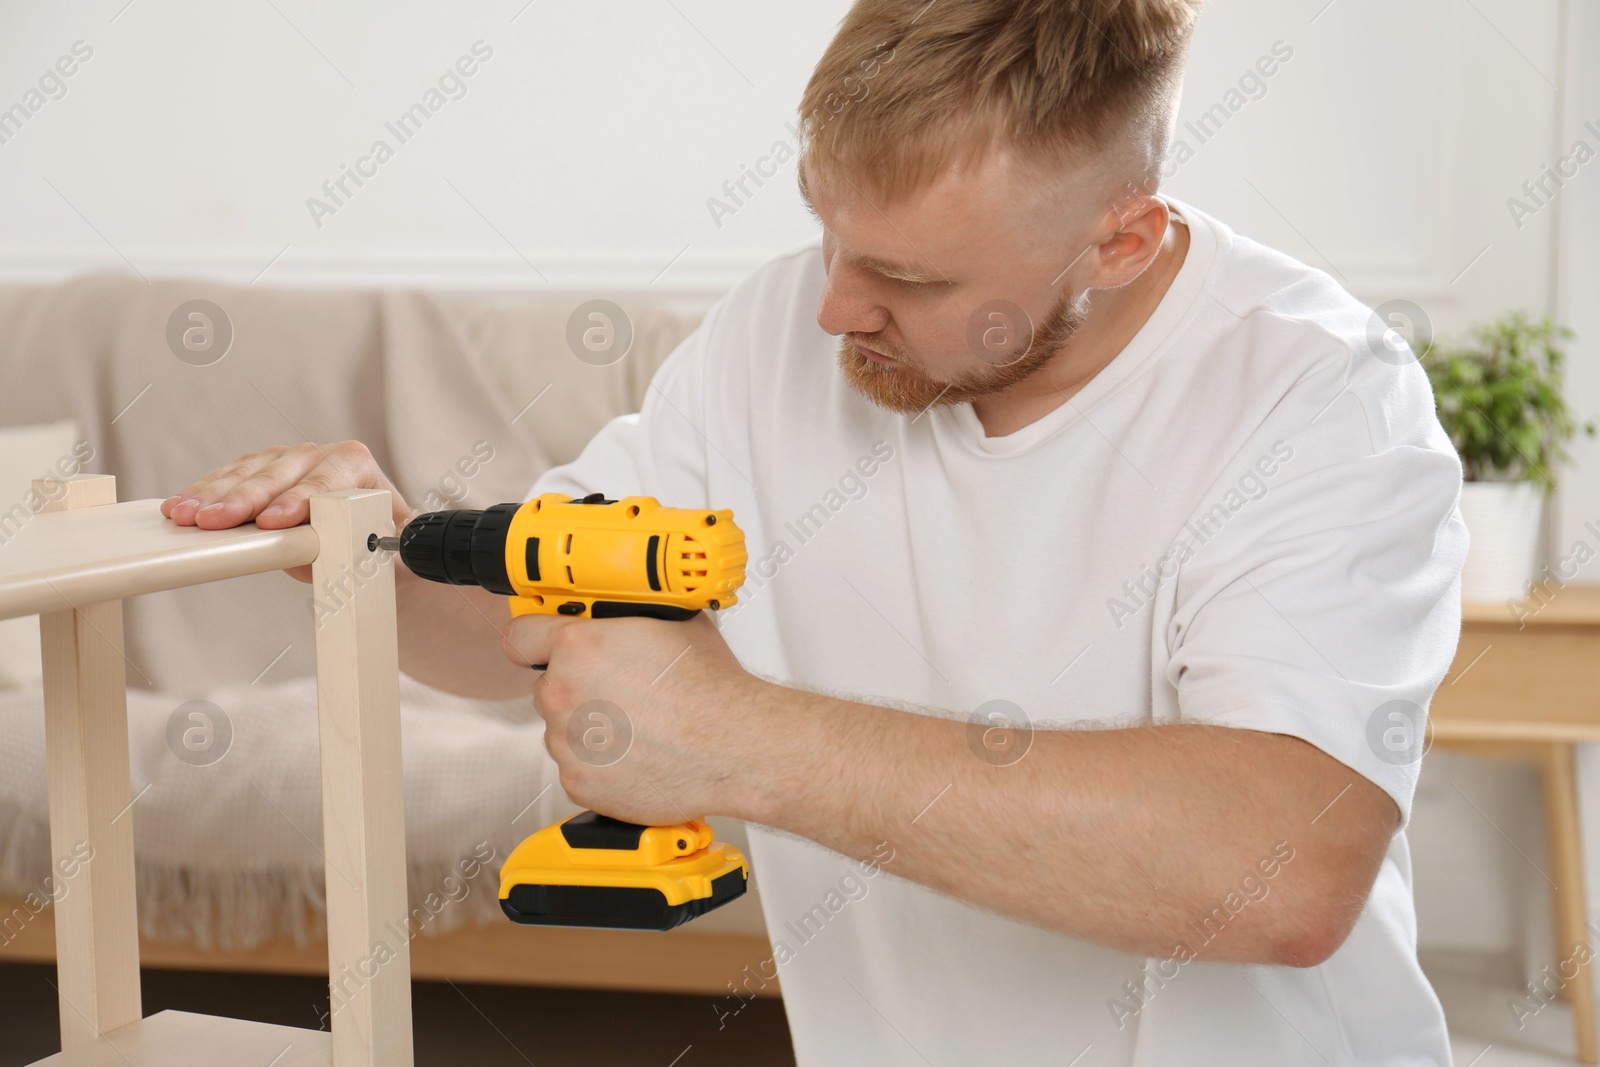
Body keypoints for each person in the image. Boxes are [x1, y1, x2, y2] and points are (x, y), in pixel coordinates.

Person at [164, 0, 1467, 1061]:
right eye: (826, 231)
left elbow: (1282, 873)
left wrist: (742, 740)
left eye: (908, 275)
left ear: (1120, 242)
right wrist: (365, 548)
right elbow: (543, 611)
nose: (836, 307)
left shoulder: (1315, 396)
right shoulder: (775, 333)